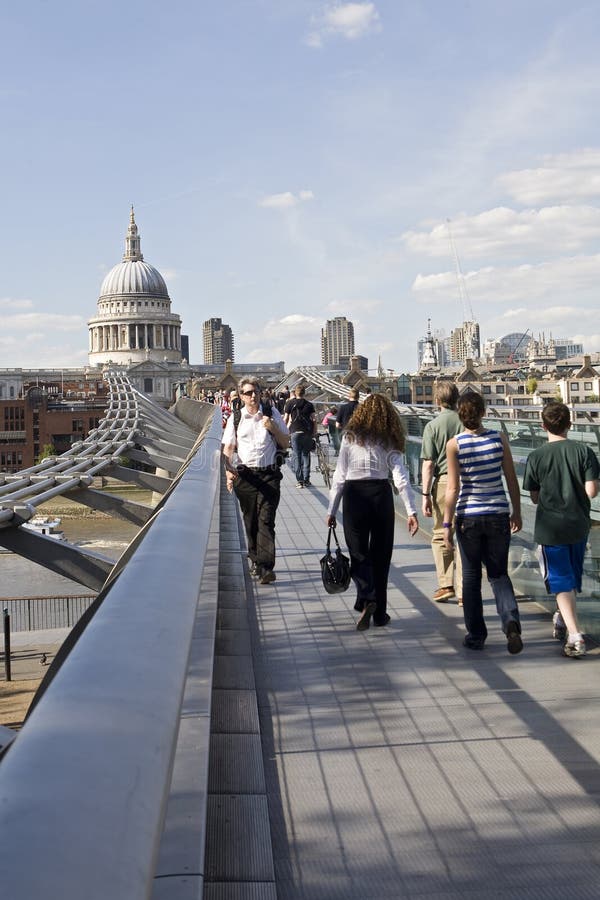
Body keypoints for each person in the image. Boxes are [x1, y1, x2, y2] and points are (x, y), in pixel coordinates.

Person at [326, 393, 419, 630]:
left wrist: (332, 509)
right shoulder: (389, 438)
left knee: (358, 552)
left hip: (354, 495)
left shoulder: (349, 437)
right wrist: (411, 511)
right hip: (380, 495)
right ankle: (380, 614)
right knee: (381, 556)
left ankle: (367, 598)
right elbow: (401, 478)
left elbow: (339, 476)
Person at [443, 392, 523, 654]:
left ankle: (476, 635)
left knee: (471, 576)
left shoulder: (455, 445)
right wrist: (517, 512)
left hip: (469, 517)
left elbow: (453, 488)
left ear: (460, 415)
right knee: (499, 574)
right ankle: (510, 621)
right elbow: (511, 480)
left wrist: (447, 525)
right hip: (499, 514)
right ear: (483, 411)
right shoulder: (499, 439)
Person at [522, 401, 599, 658]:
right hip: (579, 524)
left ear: (543, 425)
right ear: (570, 424)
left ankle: (575, 635)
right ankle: (563, 619)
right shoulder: (584, 452)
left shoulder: (536, 456)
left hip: (550, 528)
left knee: (560, 580)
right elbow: (591, 491)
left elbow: (533, 496)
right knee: (572, 577)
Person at [222, 377, 290, 584]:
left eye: (256, 392)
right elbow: (228, 447)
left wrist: (272, 428)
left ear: (261, 393)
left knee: (266, 520)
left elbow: (285, 442)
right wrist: (228, 471)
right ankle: (255, 559)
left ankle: (266, 567)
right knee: (250, 520)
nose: (253, 396)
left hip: (269, 474)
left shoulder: (271, 413)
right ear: (241, 396)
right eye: (249, 393)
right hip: (245, 475)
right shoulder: (236, 418)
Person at [421, 382, 463, 604]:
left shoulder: (432, 426)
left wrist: (425, 495)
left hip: (445, 482)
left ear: (437, 401)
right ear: (457, 399)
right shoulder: (467, 421)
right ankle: (465, 591)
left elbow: (428, 464)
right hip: (468, 482)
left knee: (440, 534)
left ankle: (446, 584)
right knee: (465, 535)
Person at [284, 385, 317, 488]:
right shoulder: (309, 405)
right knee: (306, 455)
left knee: (297, 456)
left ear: (295, 393)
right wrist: (314, 432)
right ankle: (307, 480)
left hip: (295, 432)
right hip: (307, 433)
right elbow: (314, 420)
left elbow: (285, 419)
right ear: (304, 393)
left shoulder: (289, 403)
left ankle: (300, 481)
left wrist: (284, 431)